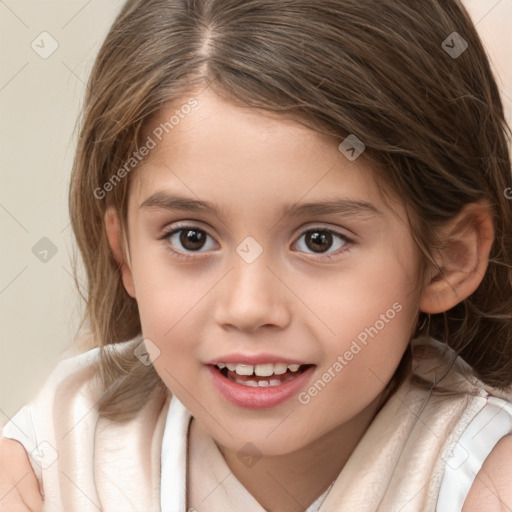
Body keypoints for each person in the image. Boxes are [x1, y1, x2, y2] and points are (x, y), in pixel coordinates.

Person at [1, 0, 512, 510]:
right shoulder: (51, 463)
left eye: (319, 240)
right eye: (191, 238)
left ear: (448, 258)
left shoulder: (480, 480)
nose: (248, 307)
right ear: (125, 254)